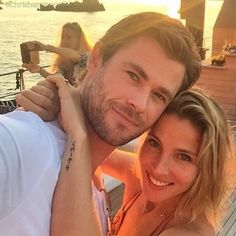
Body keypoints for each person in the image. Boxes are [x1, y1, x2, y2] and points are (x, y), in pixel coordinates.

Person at [0, 12, 201, 236]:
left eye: (159, 95)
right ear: (96, 59)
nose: (140, 103)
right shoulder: (22, 145)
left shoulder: (93, 176)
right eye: (133, 76)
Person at [51, 85, 236, 235]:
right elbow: (92, 150)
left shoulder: (186, 232)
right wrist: (57, 100)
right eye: (154, 143)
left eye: (183, 157)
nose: (158, 169)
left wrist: (77, 133)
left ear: (207, 168)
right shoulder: (138, 179)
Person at [23, 22, 93, 85]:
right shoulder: (64, 61)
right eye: (63, 37)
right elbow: (56, 79)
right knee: (42, 85)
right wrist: (40, 70)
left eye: (69, 38)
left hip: (87, 96)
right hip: (71, 96)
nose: (64, 41)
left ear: (78, 40)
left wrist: (46, 47)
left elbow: (76, 56)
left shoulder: (87, 57)